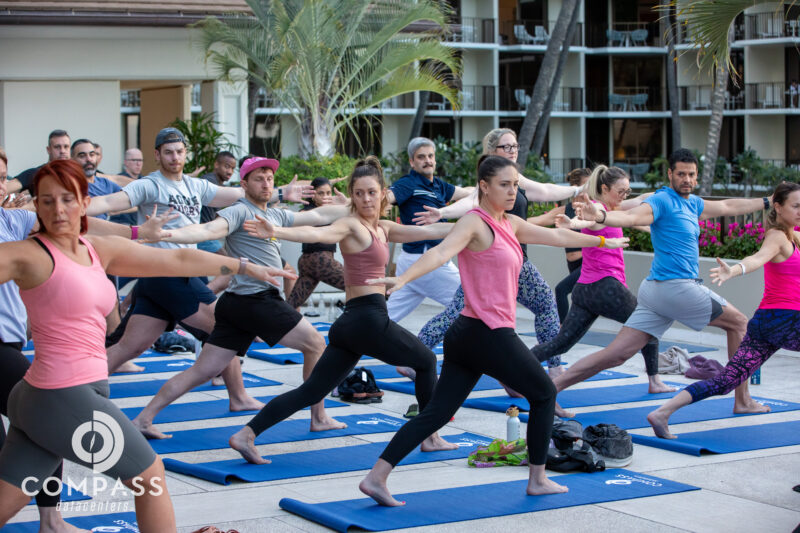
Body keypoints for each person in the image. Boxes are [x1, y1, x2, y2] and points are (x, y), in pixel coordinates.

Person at [0, 159, 293, 530]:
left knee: (6, 500)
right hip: (60, 396)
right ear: (36, 207)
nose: (58, 210)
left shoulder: (95, 249)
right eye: (47, 201)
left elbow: (178, 259)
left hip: (45, 399)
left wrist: (244, 267)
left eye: (67, 199)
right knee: (150, 476)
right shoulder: (27, 254)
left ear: (84, 202)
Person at [357, 155, 628, 506]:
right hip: (487, 332)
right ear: (484, 187)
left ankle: (375, 477)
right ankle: (538, 479)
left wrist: (603, 242)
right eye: (504, 185)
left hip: (468, 335)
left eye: (515, 184)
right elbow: (440, 253)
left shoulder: (510, 223)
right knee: (545, 394)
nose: (512, 191)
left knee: (437, 412)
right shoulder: (474, 222)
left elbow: (556, 237)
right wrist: (403, 278)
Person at [227, 156, 460, 465]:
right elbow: (318, 234)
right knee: (426, 361)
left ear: (382, 194)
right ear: (351, 195)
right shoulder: (351, 225)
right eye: (359, 193)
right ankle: (430, 436)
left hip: (352, 323)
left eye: (372, 192)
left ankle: (246, 434)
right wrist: (276, 232)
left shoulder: (384, 228)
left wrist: (473, 223)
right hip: (367, 320)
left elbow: (429, 232)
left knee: (312, 391)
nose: (366, 199)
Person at [131, 157, 351, 439]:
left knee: (203, 370)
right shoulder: (238, 211)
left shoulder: (275, 215)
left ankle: (143, 419)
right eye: (259, 179)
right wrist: (164, 234)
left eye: (269, 179)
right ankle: (319, 417)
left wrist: (353, 206)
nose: (266, 184)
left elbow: (317, 217)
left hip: (235, 304)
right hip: (256, 300)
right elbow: (207, 230)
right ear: (244, 184)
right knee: (316, 343)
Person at [553, 148, 771, 415]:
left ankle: (551, 388)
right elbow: (631, 217)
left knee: (616, 354)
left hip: (656, 291)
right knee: (739, 323)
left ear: (697, 176)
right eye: (681, 174)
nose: (686, 179)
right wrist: (600, 216)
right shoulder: (662, 200)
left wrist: (767, 201)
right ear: (670, 174)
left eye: (691, 174)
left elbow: (728, 206)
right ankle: (743, 400)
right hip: (676, 287)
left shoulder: (693, 203)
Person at [86, 127, 311, 376]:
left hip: (165, 277)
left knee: (130, 346)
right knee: (224, 329)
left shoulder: (196, 186)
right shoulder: (150, 185)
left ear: (186, 153)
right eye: (168, 152)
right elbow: (108, 202)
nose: (175, 157)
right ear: (157, 155)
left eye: (179, 151)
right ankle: (236, 393)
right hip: (168, 273)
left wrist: (282, 193)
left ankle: (83, 380)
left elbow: (238, 193)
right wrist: (73, 207)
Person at [412, 129, 585, 377]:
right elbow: (470, 202)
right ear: (493, 150)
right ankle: (554, 367)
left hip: (504, 258)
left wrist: (577, 190)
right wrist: (443, 212)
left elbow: (546, 191)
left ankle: (415, 356)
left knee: (457, 311)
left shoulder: (516, 179)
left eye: (515, 146)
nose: (513, 151)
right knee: (546, 304)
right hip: (503, 258)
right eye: (507, 147)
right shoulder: (490, 181)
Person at [647, 181, 800, 438]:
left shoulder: (793, 234)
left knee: (728, 379)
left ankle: (662, 412)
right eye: (795, 206)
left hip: (766, 323)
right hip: (787, 319)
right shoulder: (777, 237)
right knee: (730, 377)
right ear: (777, 207)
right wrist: (735, 269)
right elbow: (756, 259)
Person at [535, 165, 674, 397]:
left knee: (561, 344)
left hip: (584, 289)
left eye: (627, 191)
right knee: (648, 323)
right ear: (605, 189)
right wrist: (571, 224)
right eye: (620, 191)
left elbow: (641, 199)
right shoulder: (598, 208)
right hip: (605, 286)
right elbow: (584, 222)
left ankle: (513, 372)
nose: (624, 196)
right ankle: (655, 381)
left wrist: (668, 193)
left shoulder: (613, 208)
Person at [0, 150, 83, 533]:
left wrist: (138, 233)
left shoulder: (12, 219)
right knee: (51, 417)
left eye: (2, 177)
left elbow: (72, 221)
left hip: (12, 343)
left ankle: (49, 518)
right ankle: (51, 519)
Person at [383, 137, 474, 322]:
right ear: (412, 162)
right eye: (421, 157)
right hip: (425, 258)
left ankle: (355, 335)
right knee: (471, 303)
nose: (427, 160)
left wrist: (495, 186)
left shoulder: (439, 186)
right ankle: (434, 336)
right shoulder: (408, 183)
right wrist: (355, 203)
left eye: (430, 156)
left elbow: (468, 193)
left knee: (386, 318)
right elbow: (387, 197)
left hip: (414, 260)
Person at [285, 177, 347, 310]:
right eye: (321, 193)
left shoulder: (332, 210)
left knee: (291, 305)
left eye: (328, 193)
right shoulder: (307, 212)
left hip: (309, 263)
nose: (325, 197)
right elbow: (297, 220)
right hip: (319, 260)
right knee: (358, 286)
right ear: (313, 195)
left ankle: (276, 320)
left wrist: (344, 203)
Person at [554, 168, 592, 322]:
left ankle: (562, 330)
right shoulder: (565, 209)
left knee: (561, 290)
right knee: (583, 301)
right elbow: (539, 221)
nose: (590, 188)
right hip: (572, 265)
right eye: (587, 184)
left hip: (587, 263)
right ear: (576, 187)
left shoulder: (591, 209)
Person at [71, 139, 122, 220]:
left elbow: (131, 198)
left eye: (92, 154)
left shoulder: (105, 183)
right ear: (72, 160)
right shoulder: (69, 186)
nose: (89, 159)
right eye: (82, 156)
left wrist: (113, 209)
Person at [8, 129, 70, 195]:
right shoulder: (35, 174)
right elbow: (5, 189)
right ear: (48, 150)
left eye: (66, 147)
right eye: (57, 147)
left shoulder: (75, 174)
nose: (62, 151)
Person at [198, 151, 238, 254]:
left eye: (233, 168)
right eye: (227, 166)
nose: (230, 172)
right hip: (201, 233)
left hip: (208, 232)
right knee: (226, 260)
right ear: (216, 165)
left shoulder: (218, 183)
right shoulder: (209, 181)